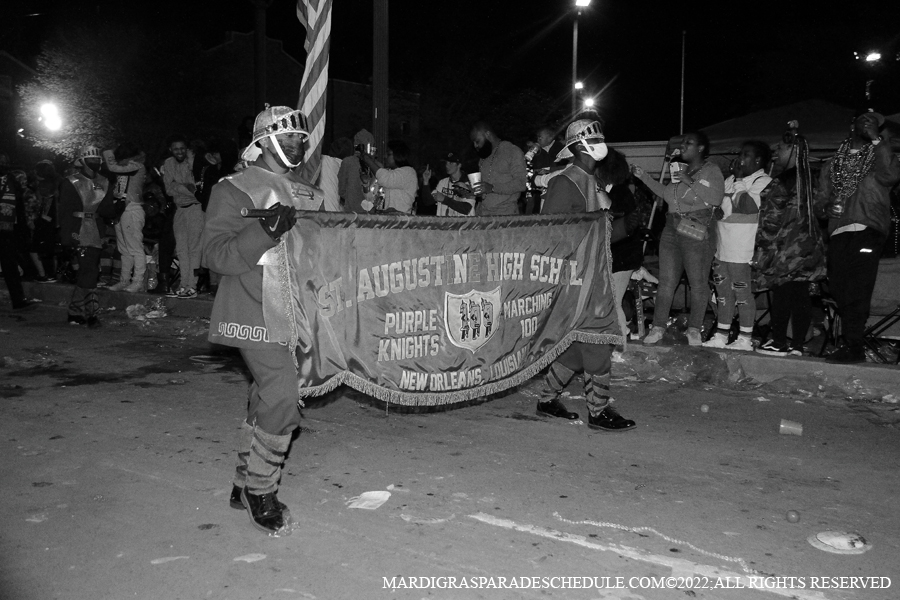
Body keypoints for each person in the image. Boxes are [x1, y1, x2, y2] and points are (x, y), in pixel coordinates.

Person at [203, 105, 323, 535]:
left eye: (301, 138)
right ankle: (260, 490)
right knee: (282, 395)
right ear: (263, 139)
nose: (297, 143)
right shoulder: (232, 188)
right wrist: (265, 232)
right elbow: (214, 256)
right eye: (288, 136)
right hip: (252, 309)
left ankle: (241, 483)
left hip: (300, 309)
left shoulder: (309, 193)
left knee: (266, 396)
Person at [538, 118, 635, 432]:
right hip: (576, 279)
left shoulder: (593, 183)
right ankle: (598, 410)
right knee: (596, 342)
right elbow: (550, 235)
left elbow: (600, 235)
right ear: (578, 146)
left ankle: (547, 399)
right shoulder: (565, 182)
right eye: (593, 139)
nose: (600, 143)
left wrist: (628, 226)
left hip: (595, 275)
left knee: (576, 349)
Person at [815, 111, 900, 363]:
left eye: (874, 124)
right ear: (852, 125)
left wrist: (876, 139)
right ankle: (851, 342)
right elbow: (820, 201)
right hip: (839, 231)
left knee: (858, 288)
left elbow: (891, 176)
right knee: (839, 287)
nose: (867, 125)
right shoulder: (832, 164)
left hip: (868, 228)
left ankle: (853, 345)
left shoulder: (880, 155)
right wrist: (825, 208)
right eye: (863, 121)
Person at [632, 131, 724, 346]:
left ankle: (694, 330)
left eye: (688, 143)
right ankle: (658, 327)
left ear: (700, 148)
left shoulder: (711, 170)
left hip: (696, 228)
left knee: (697, 283)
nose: (683, 146)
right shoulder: (679, 169)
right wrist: (643, 176)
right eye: (682, 143)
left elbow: (716, 198)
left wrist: (690, 180)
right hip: (672, 228)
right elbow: (667, 195)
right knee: (666, 282)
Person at [753, 127, 826, 356]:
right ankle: (797, 345)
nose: (776, 153)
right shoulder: (812, 180)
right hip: (808, 249)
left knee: (782, 295)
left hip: (785, 250)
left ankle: (778, 341)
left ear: (793, 150)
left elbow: (771, 220)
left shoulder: (783, 181)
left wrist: (762, 248)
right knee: (801, 295)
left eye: (781, 148)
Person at [702, 141, 772, 351]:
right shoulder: (730, 180)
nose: (740, 158)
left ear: (758, 160)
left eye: (746, 154)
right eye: (740, 154)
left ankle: (745, 338)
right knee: (723, 294)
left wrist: (740, 181)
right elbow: (721, 209)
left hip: (743, 251)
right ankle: (722, 335)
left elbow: (749, 206)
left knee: (743, 295)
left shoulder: (763, 181)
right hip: (723, 248)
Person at [57, 146, 109, 327]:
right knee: (89, 272)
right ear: (83, 161)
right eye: (91, 159)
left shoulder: (105, 181)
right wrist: (68, 236)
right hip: (77, 229)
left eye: (97, 159)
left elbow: (105, 210)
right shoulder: (71, 182)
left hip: (95, 228)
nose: (94, 162)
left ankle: (75, 311)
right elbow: (64, 211)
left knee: (89, 271)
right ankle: (91, 313)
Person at [598, 148, 643, 339]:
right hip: (617, 256)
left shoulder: (620, 191)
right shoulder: (614, 189)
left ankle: (620, 338)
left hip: (623, 256)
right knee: (610, 301)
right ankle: (621, 334)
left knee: (612, 302)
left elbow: (611, 212)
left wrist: (598, 190)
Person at [162, 134, 203, 298]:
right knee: (181, 249)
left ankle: (192, 286)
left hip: (195, 209)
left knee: (194, 248)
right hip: (179, 209)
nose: (179, 151)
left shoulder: (192, 162)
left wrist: (179, 186)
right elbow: (168, 189)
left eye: (182, 148)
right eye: (175, 148)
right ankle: (183, 285)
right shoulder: (168, 163)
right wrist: (185, 187)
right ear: (171, 150)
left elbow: (196, 190)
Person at [103, 142, 147, 293]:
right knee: (124, 249)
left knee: (135, 248)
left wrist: (108, 152)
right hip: (120, 209)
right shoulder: (125, 168)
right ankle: (124, 280)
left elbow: (113, 167)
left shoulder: (137, 165)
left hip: (132, 208)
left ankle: (138, 281)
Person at [470, 121, 527, 216]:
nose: (475, 146)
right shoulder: (484, 156)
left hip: (505, 215)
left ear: (487, 134)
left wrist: (492, 188)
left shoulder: (512, 151)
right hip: (481, 213)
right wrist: (471, 191)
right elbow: (484, 188)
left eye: (477, 141)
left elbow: (521, 183)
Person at [0, 152, 32, 309]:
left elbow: (19, 207)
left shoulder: (12, 181)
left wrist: (22, 229)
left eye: (5, 162)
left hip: (8, 230)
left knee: (10, 266)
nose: (3, 164)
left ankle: (18, 300)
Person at [359, 140, 418, 214]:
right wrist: (365, 184)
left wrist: (368, 161)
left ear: (398, 155)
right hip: (387, 220)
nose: (385, 156)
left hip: (402, 221)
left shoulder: (408, 172)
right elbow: (371, 198)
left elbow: (386, 179)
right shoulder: (389, 172)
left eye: (388, 154)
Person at [422, 152, 475, 216]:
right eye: (446, 162)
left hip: (463, 225)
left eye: (451, 163)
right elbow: (428, 201)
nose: (447, 165)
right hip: (445, 225)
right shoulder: (443, 182)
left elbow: (466, 209)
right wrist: (426, 182)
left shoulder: (469, 183)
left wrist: (445, 199)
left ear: (459, 165)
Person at [337, 129, 375, 213]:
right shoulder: (376, 166)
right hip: (372, 216)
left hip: (352, 214)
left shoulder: (347, 162)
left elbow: (341, 190)